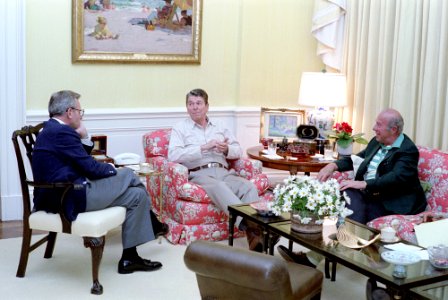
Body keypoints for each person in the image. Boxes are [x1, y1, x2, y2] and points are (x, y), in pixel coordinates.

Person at [32, 90, 168, 274]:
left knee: (137, 195)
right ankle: (155, 224)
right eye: (80, 111)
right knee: (129, 174)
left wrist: (84, 137)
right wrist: (114, 168)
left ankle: (130, 258)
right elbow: (91, 169)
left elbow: (78, 159)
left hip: (64, 192)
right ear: (69, 111)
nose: (81, 115)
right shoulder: (61, 132)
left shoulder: (52, 129)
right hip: (69, 196)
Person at [278, 108, 427, 267]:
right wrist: (333, 165)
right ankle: (332, 251)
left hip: (392, 201)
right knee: (346, 194)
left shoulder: (408, 150)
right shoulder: (377, 141)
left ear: (394, 130)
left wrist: (364, 183)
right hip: (371, 194)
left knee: (350, 206)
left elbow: (397, 178)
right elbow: (356, 159)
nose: (373, 128)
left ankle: (321, 255)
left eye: (378, 124)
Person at [168, 88, 267, 251]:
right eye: (190, 104)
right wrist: (202, 148)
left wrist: (226, 149)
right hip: (199, 173)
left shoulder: (220, 125)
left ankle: (254, 238)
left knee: (248, 186)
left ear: (207, 106)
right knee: (219, 187)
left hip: (224, 171)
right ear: (187, 107)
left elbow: (237, 150)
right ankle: (254, 225)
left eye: (199, 103)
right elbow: (173, 155)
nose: (195, 107)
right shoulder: (180, 128)